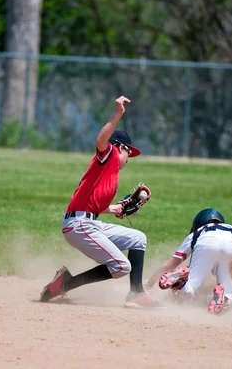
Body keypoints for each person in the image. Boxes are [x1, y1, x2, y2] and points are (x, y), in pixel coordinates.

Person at [40, 95, 161, 309]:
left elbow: (90, 204)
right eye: (128, 153)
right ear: (121, 147)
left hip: (88, 222)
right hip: (79, 226)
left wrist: (113, 209)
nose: (128, 159)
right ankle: (68, 284)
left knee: (138, 239)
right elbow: (100, 142)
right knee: (121, 266)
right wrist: (118, 114)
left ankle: (136, 293)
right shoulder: (110, 155)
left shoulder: (109, 173)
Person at [145, 208, 232, 314]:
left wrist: (149, 284)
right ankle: (224, 297)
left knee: (190, 290)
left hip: (206, 242)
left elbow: (171, 263)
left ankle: (181, 282)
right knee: (230, 298)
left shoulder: (199, 231)